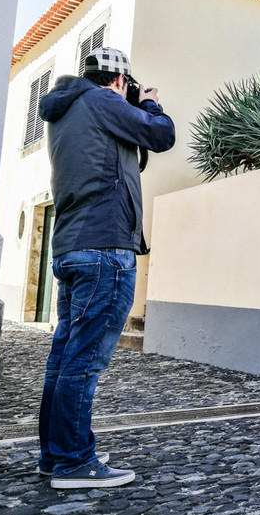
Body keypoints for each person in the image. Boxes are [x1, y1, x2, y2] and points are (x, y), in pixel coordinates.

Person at [37, 48, 175, 489]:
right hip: (104, 249)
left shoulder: (64, 113)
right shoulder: (103, 101)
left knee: (63, 358)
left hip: (71, 248)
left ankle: (56, 454)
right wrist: (149, 102)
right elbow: (161, 134)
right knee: (84, 361)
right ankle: (75, 463)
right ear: (118, 80)